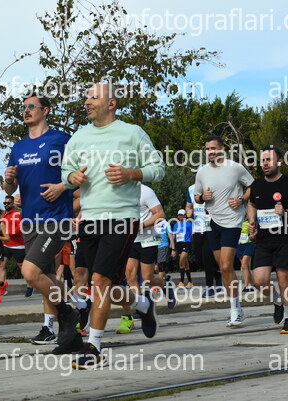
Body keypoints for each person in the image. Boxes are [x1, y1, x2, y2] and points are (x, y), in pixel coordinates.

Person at [62, 82, 164, 369]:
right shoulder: (79, 137)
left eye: (93, 96)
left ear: (111, 103)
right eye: (86, 96)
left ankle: (93, 348)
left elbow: (158, 168)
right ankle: (143, 304)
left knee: (100, 282)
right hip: (90, 218)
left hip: (121, 218)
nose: (87, 101)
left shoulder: (132, 133)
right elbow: (65, 170)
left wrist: (131, 173)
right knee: (92, 283)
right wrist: (72, 178)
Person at [3, 92, 80, 347]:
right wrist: (8, 180)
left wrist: (62, 186)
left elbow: (83, 172)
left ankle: (67, 314)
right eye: (24, 107)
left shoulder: (61, 139)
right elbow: (9, 189)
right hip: (29, 220)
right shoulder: (19, 147)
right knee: (47, 277)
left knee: (29, 271)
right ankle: (75, 310)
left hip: (57, 219)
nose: (26, 110)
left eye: (32, 106)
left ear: (45, 110)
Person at [194, 135, 254, 327]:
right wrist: (203, 197)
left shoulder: (235, 168)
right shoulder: (202, 172)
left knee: (227, 265)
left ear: (222, 149)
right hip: (213, 222)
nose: (210, 152)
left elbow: (252, 186)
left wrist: (242, 200)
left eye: (213, 148)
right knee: (222, 267)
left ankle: (235, 310)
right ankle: (237, 307)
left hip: (233, 221)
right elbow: (196, 196)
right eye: (207, 149)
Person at [116, 184, 170, 335]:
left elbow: (160, 214)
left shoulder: (145, 191)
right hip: (130, 240)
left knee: (147, 278)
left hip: (148, 240)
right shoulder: (119, 191)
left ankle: (165, 286)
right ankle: (139, 310)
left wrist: (142, 225)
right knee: (130, 277)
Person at [247, 145, 288, 333]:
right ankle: (277, 301)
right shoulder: (256, 185)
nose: (265, 163)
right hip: (263, 240)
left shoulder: (286, 183)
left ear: (279, 162)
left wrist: (285, 212)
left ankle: (287, 317)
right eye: (263, 160)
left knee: (283, 279)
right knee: (259, 280)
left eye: (269, 159)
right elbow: (251, 204)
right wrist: (252, 221)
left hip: (284, 239)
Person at [186, 182, 222, 297]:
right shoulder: (191, 189)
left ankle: (210, 288)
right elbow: (188, 205)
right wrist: (188, 211)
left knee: (207, 259)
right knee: (199, 261)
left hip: (210, 228)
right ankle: (217, 275)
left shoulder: (213, 186)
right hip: (197, 229)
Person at [0, 195, 29, 297]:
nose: (6, 205)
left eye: (8, 203)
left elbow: (20, 228)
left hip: (17, 245)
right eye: (5, 203)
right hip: (6, 244)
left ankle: (30, 285)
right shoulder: (3, 214)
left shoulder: (16, 214)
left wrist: (8, 234)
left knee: (21, 267)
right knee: (2, 265)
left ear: (12, 204)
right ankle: (2, 288)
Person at [173, 209, 193, 287]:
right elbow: (174, 235)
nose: (180, 216)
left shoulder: (188, 224)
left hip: (186, 243)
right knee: (185, 263)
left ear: (185, 215)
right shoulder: (176, 225)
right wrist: (172, 246)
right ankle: (190, 282)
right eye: (179, 215)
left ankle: (181, 282)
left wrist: (190, 241)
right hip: (179, 244)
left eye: (182, 215)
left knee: (181, 262)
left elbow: (192, 234)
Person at [237, 219, 255, 292]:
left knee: (244, 265)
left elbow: (257, 230)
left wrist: (253, 234)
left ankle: (247, 286)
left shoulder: (252, 220)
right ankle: (253, 284)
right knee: (246, 267)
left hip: (249, 244)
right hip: (239, 245)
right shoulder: (237, 220)